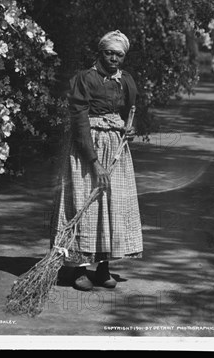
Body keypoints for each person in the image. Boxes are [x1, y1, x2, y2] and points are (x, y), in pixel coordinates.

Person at [50, 30, 143, 291]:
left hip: (115, 148)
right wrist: (93, 161)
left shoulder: (126, 81)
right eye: (109, 53)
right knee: (83, 204)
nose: (113, 58)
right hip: (85, 148)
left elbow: (130, 111)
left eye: (119, 55)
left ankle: (103, 269)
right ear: (100, 53)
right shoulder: (85, 78)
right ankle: (78, 269)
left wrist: (130, 129)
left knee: (111, 206)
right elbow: (79, 119)